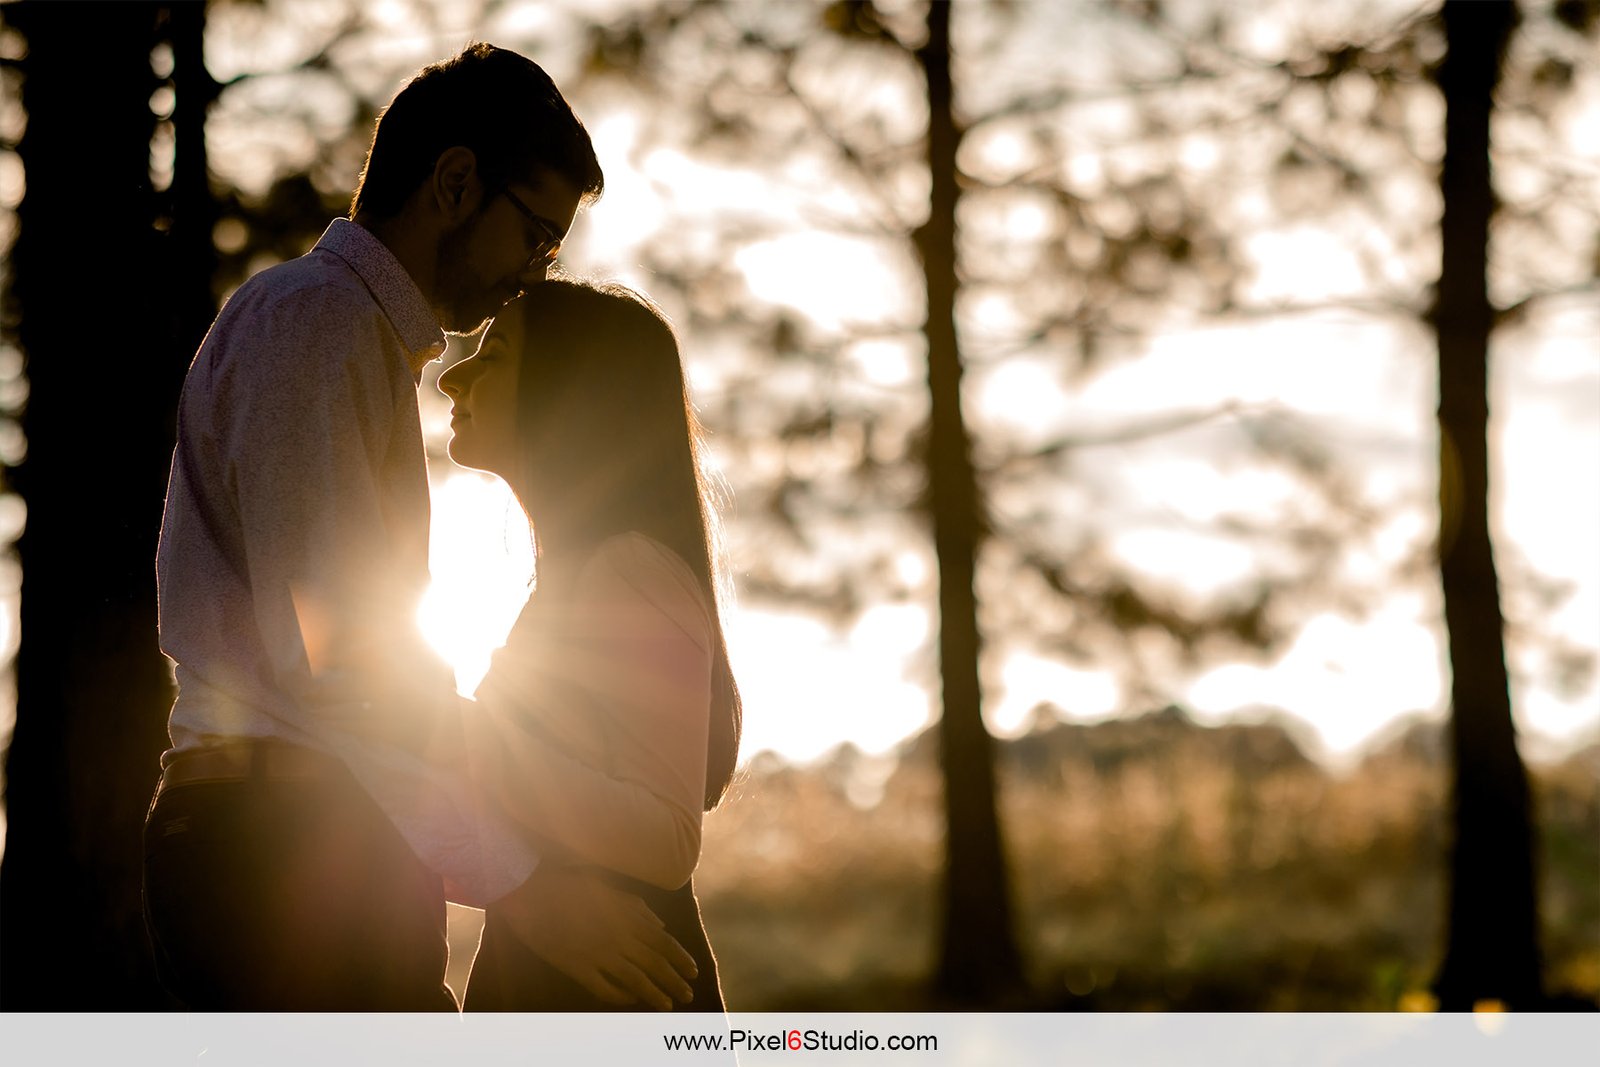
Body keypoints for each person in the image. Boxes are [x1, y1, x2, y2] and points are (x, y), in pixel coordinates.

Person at [144, 43, 696, 1010]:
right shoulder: (315, 325)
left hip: (307, 828)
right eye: (535, 235)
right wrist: (525, 887)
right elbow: (338, 660)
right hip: (279, 842)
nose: (532, 275)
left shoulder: (344, 333)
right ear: (454, 182)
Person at [435, 280, 742, 1010]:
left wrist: (461, 735)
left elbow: (669, 840)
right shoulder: (577, 575)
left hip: (618, 988)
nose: (451, 376)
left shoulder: (630, 567)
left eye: (492, 355)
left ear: (570, 390)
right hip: (568, 972)